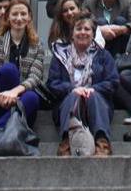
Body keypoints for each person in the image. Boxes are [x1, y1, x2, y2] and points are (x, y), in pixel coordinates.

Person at [47, 11, 119, 156]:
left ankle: (102, 143)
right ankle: (66, 143)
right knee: (73, 95)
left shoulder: (103, 55)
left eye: (87, 29)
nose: (82, 32)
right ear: (72, 34)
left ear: (93, 34)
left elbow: (113, 81)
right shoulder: (60, 56)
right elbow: (52, 83)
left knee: (94, 95)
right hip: (68, 105)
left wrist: (92, 89)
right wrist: (73, 89)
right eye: (78, 29)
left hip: (97, 105)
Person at [0, 0, 44, 129]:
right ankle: (5, 130)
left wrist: (14, 92)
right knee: (9, 70)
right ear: (8, 17)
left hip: (23, 106)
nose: (19, 18)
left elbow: (35, 77)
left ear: (29, 17)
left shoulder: (37, 46)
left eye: (23, 14)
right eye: (14, 14)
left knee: (31, 97)